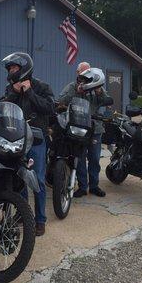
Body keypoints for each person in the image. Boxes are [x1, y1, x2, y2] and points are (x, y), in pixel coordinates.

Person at [1, 52, 55, 236]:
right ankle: (24, 214)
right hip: (16, 140)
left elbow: (49, 108)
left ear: (24, 68)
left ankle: (40, 220)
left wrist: (30, 92)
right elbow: (2, 107)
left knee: (37, 180)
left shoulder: (41, 86)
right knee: (19, 179)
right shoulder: (10, 88)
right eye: (9, 69)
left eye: (14, 68)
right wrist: (15, 94)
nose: (11, 71)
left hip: (37, 140)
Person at [58, 62, 107, 198]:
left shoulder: (96, 87)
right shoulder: (72, 86)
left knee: (95, 158)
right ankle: (82, 186)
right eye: (81, 73)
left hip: (95, 128)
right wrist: (76, 91)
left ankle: (94, 186)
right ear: (77, 73)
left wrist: (99, 91)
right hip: (78, 127)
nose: (84, 76)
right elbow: (61, 100)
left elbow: (106, 100)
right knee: (79, 158)